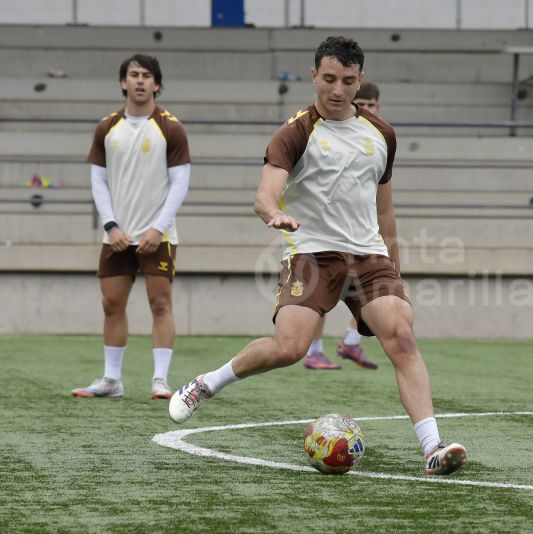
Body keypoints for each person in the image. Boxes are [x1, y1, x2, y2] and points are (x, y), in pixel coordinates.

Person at [169, 36, 466, 476]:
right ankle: (208, 383)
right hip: (312, 254)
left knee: (402, 338)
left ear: (359, 79)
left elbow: (385, 208)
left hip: (369, 256)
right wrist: (275, 214)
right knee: (290, 348)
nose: (338, 89)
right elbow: (263, 196)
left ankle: (432, 449)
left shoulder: (382, 134)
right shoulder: (297, 132)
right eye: (329, 79)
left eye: (347, 80)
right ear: (314, 77)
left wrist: (394, 265)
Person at [72, 54, 191, 400]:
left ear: (156, 84)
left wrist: (157, 228)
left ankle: (160, 380)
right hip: (117, 236)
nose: (140, 81)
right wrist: (111, 226)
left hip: (159, 235)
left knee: (160, 304)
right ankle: (112, 381)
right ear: (123, 82)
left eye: (147, 75)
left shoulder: (171, 127)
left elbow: (180, 183)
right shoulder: (107, 127)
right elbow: (98, 181)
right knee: (111, 305)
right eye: (133, 75)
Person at [304, 81, 382, 371]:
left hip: (363, 232)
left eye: (373, 104)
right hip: (323, 231)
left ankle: (350, 341)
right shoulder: (320, 131)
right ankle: (314, 350)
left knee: (376, 291)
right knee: (323, 293)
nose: (369, 109)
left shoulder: (377, 137)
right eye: (365, 103)